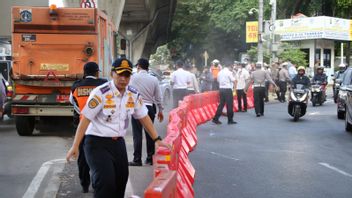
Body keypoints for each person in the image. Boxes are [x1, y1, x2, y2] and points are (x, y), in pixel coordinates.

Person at [66, 57, 170, 198]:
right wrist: (75, 146)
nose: (123, 79)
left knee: (121, 181)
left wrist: (156, 139)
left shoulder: (133, 94)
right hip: (96, 143)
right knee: (105, 182)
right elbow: (85, 120)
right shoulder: (100, 93)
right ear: (112, 73)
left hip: (118, 144)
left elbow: (144, 117)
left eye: (127, 75)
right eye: (120, 74)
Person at [69, 62, 107, 193]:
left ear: (84, 72)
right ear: (97, 72)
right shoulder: (104, 84)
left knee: (83, 157)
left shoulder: (76, 86)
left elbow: (72, 102)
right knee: (100, 157)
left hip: (83, 127)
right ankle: (98, 184)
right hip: (100, 128)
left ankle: (84, 185)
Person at [129, 58, 164, 166]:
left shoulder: (132, 77)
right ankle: (150, 158)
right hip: (149, 108)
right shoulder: (153, 79)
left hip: (136, 108)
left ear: (138, 66)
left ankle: (137, 159)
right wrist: (160, 110)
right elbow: (158, 96)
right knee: (150, 132)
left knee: (137, 134)